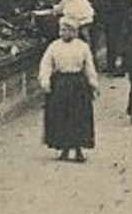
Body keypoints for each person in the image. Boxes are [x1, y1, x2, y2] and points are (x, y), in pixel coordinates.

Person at [39, 17, 100, 161]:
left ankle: (78, 149)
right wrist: (45, 81)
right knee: (61, 116)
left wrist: (93, 83)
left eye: (66, 30)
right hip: (60, 83)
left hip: (77, 83)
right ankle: (64, 149)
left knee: (78, 116)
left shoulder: (82, 47)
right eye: (61, 29)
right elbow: (46, 65)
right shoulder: (54, 46)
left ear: (74, 31)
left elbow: (89, 67)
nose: (63, 33)